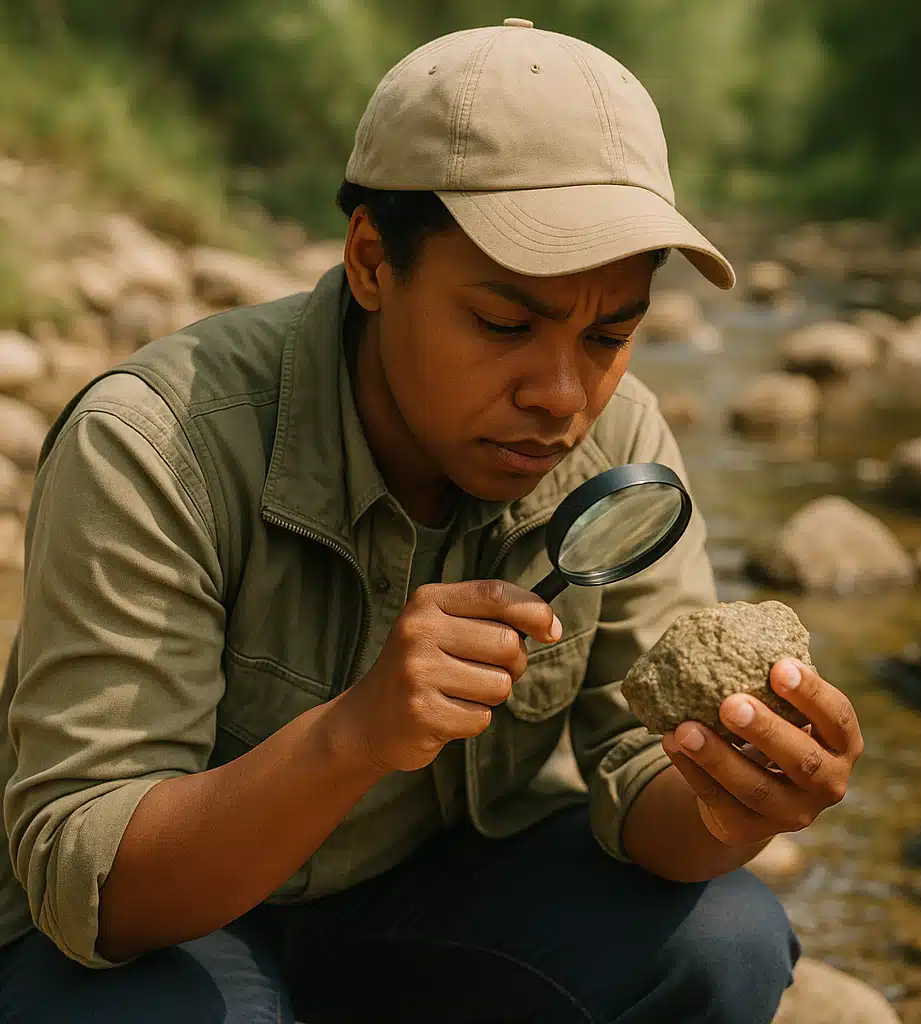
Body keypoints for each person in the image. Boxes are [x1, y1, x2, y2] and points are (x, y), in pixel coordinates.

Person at [0, 17, 864, 1024]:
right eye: (504, 324)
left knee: (723, 939)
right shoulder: (157, 442)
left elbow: (642, 789)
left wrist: (738, 798)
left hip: (422, 900)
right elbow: (89, 883)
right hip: (170, 930)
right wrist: (354, 735)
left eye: (609, 333)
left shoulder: (614, 440)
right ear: (371, 261)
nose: (559, 393)